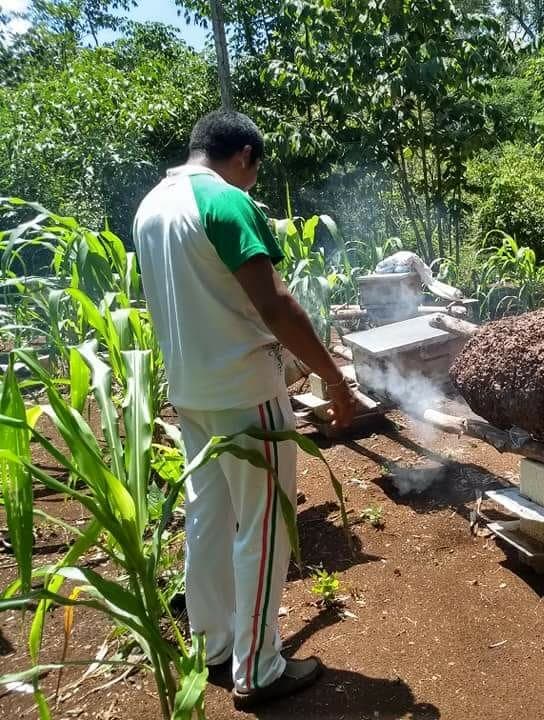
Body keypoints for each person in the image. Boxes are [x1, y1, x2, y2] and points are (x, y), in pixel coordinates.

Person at [133, 109, 355, 708]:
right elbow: (276, 306)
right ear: (245, 157)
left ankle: (213, 645)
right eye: (254, 171)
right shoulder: (225, 201)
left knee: (208, 517)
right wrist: (335, 379)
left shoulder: (151, 206)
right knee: (262, 525)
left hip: (190, 392)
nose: (252, 182)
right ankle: (257, 670)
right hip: (245, 392)